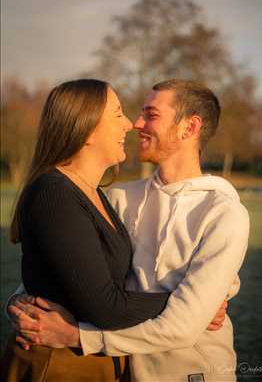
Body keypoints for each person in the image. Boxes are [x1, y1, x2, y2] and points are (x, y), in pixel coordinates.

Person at [7, 80, 249, 382]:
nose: (136, 124)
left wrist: (77, 336)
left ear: (189, 128)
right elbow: (73, 267)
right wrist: (22, 301)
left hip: (189, 373)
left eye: (151, 114)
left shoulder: (224, 213)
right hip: (120, 369)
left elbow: (184, 326)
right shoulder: (118, 198)